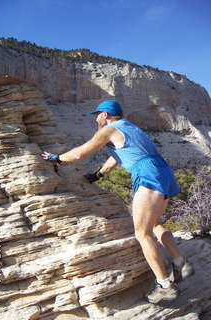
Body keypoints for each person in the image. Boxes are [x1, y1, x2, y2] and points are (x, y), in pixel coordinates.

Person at [42, 100, 194, 304]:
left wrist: (57, 157)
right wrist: (97, 175)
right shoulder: (131, 128)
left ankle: (165, 286)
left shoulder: (108, 130)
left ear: (105, 115)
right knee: (155, 223)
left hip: (147, 173)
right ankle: (179, 264)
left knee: (142, 233)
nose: (96, 118)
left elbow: (80, 152)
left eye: (97, 115)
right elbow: (117, 157)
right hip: (162, 171)